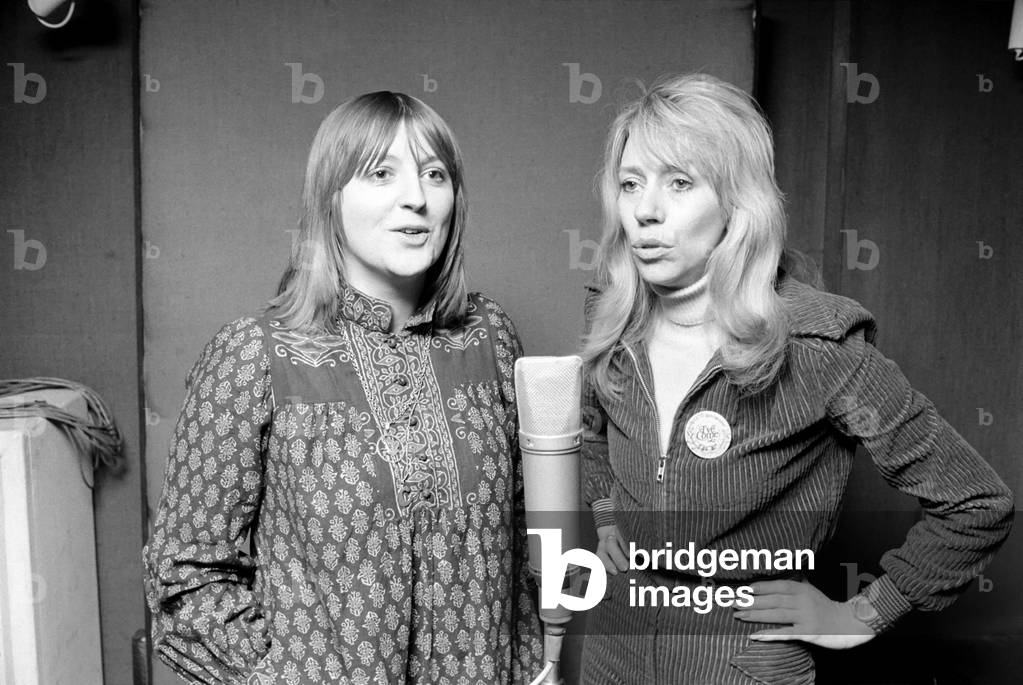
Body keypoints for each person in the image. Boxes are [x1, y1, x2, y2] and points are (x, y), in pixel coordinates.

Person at [578, 73, 1013, 684]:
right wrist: (604, 514)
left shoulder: (816, 345)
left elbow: (976, 502)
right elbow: (594, 424)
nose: (645, 210)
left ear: (737, 201)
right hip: (613, 647)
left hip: (738, 662)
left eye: (680, 183)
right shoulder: (614, 317)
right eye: (631, 184)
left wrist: (863, 613)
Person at [143, 91, 543, 684]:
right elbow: (183, 573)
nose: (417, 196)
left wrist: (533, 664)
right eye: (382, 173)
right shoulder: (253, 354)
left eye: (435, 174)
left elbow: (527, 535)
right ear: (330, 197)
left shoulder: (490, 336)